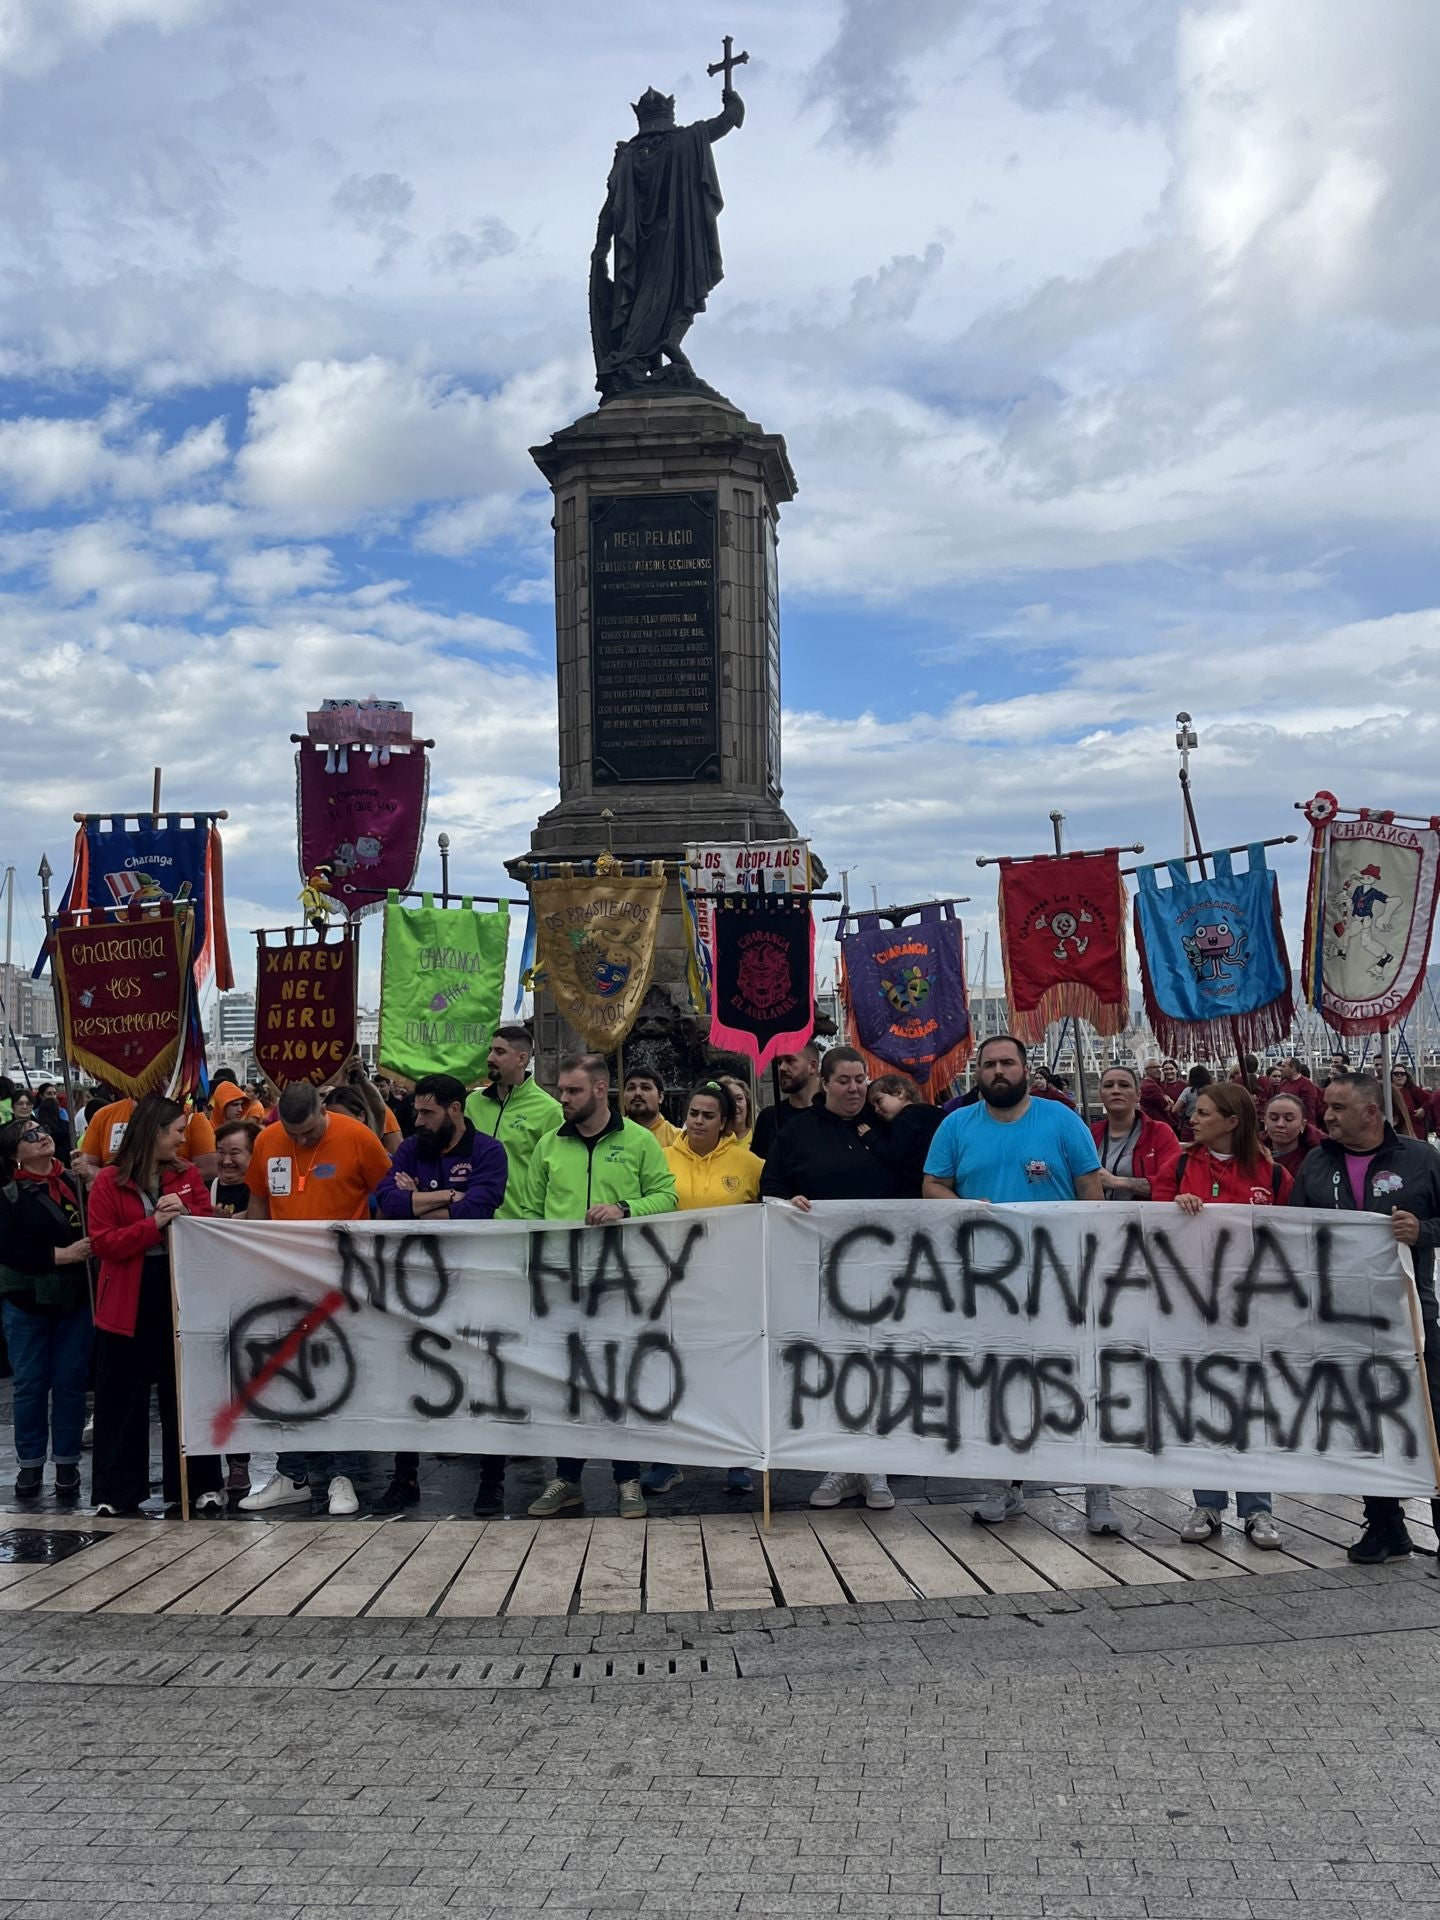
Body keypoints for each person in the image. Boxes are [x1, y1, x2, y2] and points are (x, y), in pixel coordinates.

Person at [924, 1034, 1119, 1536]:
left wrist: (1089, 1260)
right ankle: (1003, 1486)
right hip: (987, 1283)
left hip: (1058, 1280)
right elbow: (933, 1185)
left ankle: (1098, 1490)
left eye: (1007, 1063)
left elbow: (1090, 1190)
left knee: (1077, 1384)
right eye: (988, 1065)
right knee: (998, 1386)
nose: (997, 1072)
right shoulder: (955, 1125)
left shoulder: (1062, 1121)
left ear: (1026, 1069)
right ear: (978, 1072)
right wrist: (966, 1210)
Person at [1291, 1071, 1440, 1563]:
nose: (1326, 1116)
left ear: (1372, 1112)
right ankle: (1385, 1525)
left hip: (1411, 1320)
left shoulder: (1422, 1160)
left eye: (1337, 1107)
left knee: (1430, 1421)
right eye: (1327, 1107)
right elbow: (1292, 1233)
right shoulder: (1315, 1163)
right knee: (1364, 1426)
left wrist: (1423, 1230)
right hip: (1341, 1321)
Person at [522, 1054, 677, 1520]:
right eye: (561, 1090)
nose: (562, 1099)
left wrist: (625, 1208)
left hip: (621, 1285)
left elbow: (668, 1196)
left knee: (616, 1383)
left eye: (571, 1091)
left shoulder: (640, 1142)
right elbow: (530, 1212)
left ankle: (626, 1478)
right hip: (562, 1284)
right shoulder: (549, 1145)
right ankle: (566, 1478)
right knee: (568, 1385)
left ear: (599, 1090)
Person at [238, 1081, 393, 1517]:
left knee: (341, 1378)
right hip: (288, 1281)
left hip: (345, 1279)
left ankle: (343, 1477)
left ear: (323, 1108)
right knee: (289, 1378)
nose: (300, 1141)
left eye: (308, 1133)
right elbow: (258, 1200)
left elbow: (386, 1199)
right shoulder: (268, 1139)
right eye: (293, 1133)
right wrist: (260, 1255)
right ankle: (293, 1476)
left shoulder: (358, 1136)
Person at [762, 1046, 901, 1512]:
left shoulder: (885, 1128)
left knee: (877, 1362)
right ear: (825, 1083)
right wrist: (791, 1206)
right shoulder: (796, 1132)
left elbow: (911, 1183)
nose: (855, 1088)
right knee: (836, 1364)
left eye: (861, 1079)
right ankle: (840, 1463)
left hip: (883, 1271)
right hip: (819, 1271)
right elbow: (771, 1190)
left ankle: (875, 1464)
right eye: (844, 1080)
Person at [1156, 1081, 1290, 1550]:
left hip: (1252, 1309)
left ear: (1232, 1121)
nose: (1193, 1118)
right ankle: (1206, 1501)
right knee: (1203, 1403)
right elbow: (1148, 1227)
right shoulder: (1178, 1165)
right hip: (1192, 1305)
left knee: (1252, 1405)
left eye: (1205, 1113)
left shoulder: (1271, 1174)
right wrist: (1175, 1209)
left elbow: (1294, 1237)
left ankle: (1259, 1510)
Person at [374, 1073, 509, 1516]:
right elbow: (386, 1202)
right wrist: (450, 1194)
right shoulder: (413, 1147)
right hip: (417, 1284)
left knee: (484, 1379)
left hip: (475, 1281)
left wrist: (423, 1199)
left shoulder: (488, 1150)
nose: (419, 1120)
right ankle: (404, 1476)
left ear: (455, 1110)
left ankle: (492, 1481)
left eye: (428, 1112)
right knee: (409, 1376)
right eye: (417, 1111)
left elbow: (479, 1207)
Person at [87, 1094, 225, 1516]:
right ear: (155, 1132)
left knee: (183, 1396)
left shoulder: (186, 1177)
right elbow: (103, 1241)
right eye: (178, 1132)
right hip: (127, 1300)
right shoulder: (109, 1181)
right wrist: (153, 1225)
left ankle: (196, 1486)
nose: (183, 1142)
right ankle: (116, 1491)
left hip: (177, 1295)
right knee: (121, 1399)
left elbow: (207, 1223)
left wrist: (184, 1214)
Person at [644, 1079, 764, 1498]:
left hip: (730, 1291)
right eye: (693, 1113)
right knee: (671, 1372)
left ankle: (738, 1461)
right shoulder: (660, 1159)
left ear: (725, 1121)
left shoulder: (750, 1164)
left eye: (708, 1116)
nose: (697, 1121)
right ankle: (667, 1460)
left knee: (731, 1372)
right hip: (671, 1289)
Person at [0, 1115, 92, 1501]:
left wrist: (93, 1177)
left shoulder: (75, 1182)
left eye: (41, 1130)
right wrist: (59, 1255)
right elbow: (6, 1249)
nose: (41, 1137)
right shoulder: (8, 1195)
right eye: (29, 1136)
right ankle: (30, 1464)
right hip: (26, 1302)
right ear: (15, 1154)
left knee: (70, 1384)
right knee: (30, 1386)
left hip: (74, 1301)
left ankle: (68, 1464)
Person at [208, 1118, 261, 1497]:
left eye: (236, 1153)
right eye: (221, 1152)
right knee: (222, 1387)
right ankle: (233, 1464)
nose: (226, 1161)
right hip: (215, 1301)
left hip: (256, 1302)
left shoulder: (260, 1191)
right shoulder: (203, 1189)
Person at [465, 1024, 563, 1221]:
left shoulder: (549, 1110)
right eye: (490, 1050)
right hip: (471, 1219)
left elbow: (557, 1176)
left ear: (522, 1059)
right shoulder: (472, 1103)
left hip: (519, 1224)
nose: (490, 1058)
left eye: (499, 1052)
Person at [74, 1092, 217, 1186]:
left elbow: (209, 1170)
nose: (182, 1139)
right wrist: (118, 1180)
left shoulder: (192, 1116)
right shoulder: (104, 1115)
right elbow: (87, 1165)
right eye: (179, 1131)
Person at [1091, 1065, 1180, 1200]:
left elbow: (1173, 1183)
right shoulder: (1089, 1134)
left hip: (1145, 1219)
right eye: (1108, 1086)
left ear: (1138, 1095)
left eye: (1124, 1085)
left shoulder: (1160, 1133)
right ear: (1100, 1096)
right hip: (1096, 1218)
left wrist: (1116, 1182)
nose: (1116, 1091)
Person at [863, 1074, 944, 1198]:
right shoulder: (934, 1113)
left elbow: (893, 1155)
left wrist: (871, 1138)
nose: (876, 1110)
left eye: (878, 1100)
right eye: (873, 1106)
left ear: (899, 1092)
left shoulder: (903, 1120)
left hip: (916, 1187)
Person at [749, 1042, 821, 1161]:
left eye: (790, 1060)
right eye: (779, 1062)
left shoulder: (830, 1113)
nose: (782, 1068)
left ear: (812, 1066)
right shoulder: (770, 1117)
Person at [1262, 1092, 1323, 1180]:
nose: (1280, 1124)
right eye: (1274, 1118)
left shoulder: (1315, 1159)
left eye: (1289, 1119)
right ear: (1265, 1121)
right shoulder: (1252, 1151)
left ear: (1303, 1124)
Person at [622, 1069, 679, 1148]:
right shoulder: (611, 1136)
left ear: (661, 1097)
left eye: (645, 1088)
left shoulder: (678, 1140)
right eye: (631, 1088)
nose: (637, 1093)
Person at [1275, 1056, 1323, 1125]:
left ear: (1293, 1069)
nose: (1281, 1069)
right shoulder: (1283, 1083)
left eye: (1284, 1066)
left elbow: (1308, 1111)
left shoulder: (1306, 1085)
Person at [1172, 1063, 1212, 1142]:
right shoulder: (1212, 1091)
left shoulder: (1188, 1091)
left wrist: (1181, 1115)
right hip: (1208, 1123)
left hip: (1189, 1125)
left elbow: (1175, 1110)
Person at [1390, 1062, 1429, 1136]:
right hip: (1394, 1132)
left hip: (1414, 1132)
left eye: (1402, 1073)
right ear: (1391, 1076)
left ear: (1406, 1076)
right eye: (1396, 1073)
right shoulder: (1386, 1090)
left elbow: (1429, 1099)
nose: (1399, 1075)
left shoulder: (1412, 1089)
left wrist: (1423, 1109)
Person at [718, 1074, 754, 1149]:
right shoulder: (712, 1141)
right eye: (728, 1100)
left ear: (748, 1103)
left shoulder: (760, 1136)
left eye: (739, 1098)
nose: (734, 1104)